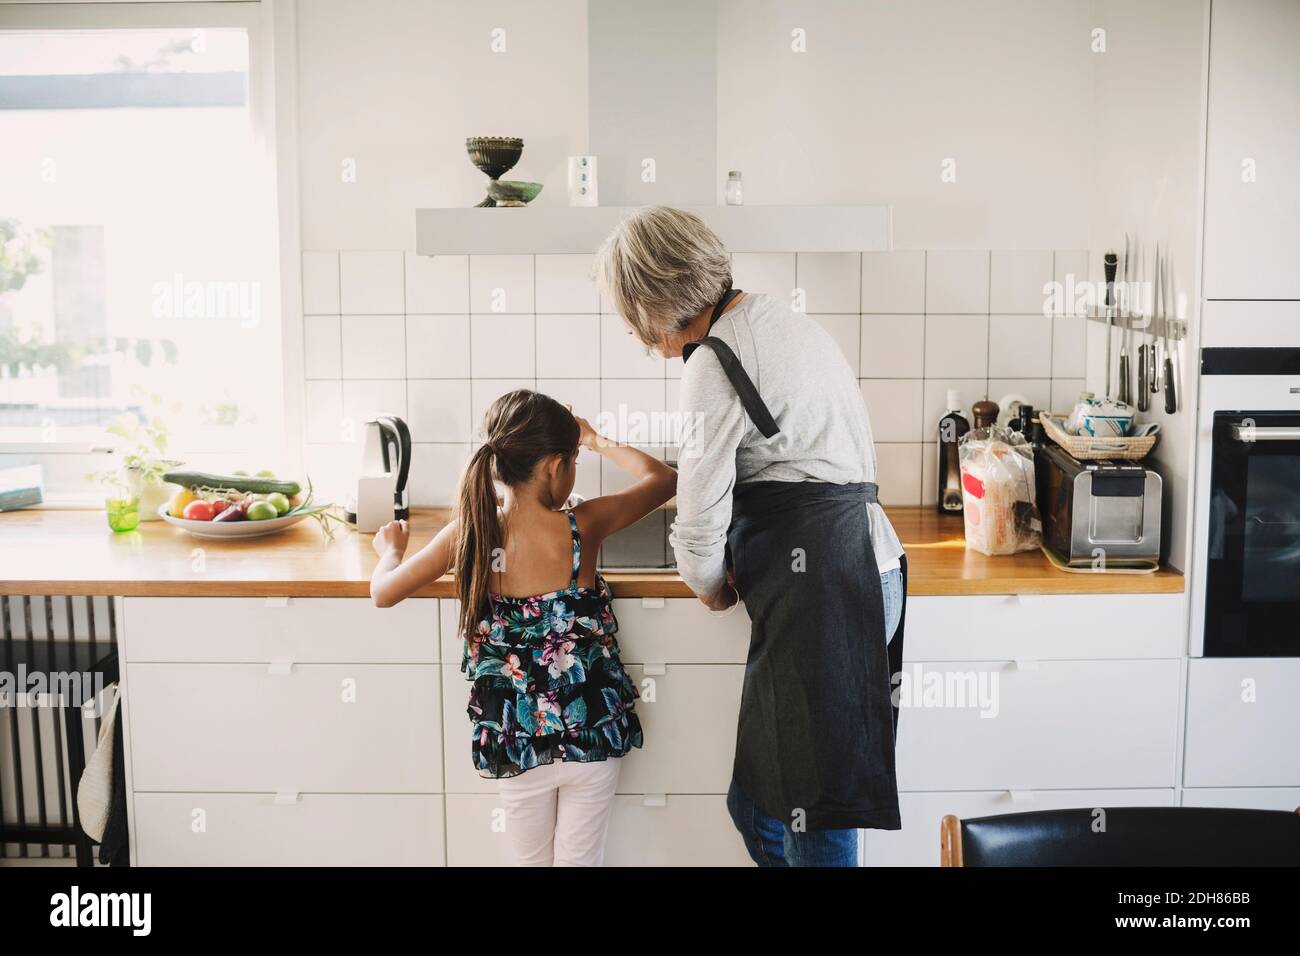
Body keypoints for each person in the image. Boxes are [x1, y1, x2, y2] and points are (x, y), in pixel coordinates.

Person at [596, 206, 908, 867]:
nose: (638, 337)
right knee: (759, 805)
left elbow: (699, 513)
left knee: (813, 811)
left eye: (633, 321)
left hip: (827, 587)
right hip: (862, 563)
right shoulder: (779, 319)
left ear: (655, 300)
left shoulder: (713, 362)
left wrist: (707, 586)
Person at [370, 389, 676, 866]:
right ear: (556, 467)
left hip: (517, 741)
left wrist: (389, 550)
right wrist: (597, 439)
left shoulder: (473, 531)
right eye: (574, 460)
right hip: (591, 733)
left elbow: (383, 593)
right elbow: (664, 479)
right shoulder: (584, 526)